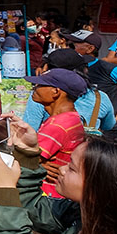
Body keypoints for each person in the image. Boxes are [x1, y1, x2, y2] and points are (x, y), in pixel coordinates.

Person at [24, 69, 85, 199]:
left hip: (47, 195)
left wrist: (37, 165)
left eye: (40, 85)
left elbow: (26, 161)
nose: (35, 88)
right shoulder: (72, 118)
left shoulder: (56, 126)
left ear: (56, 92)